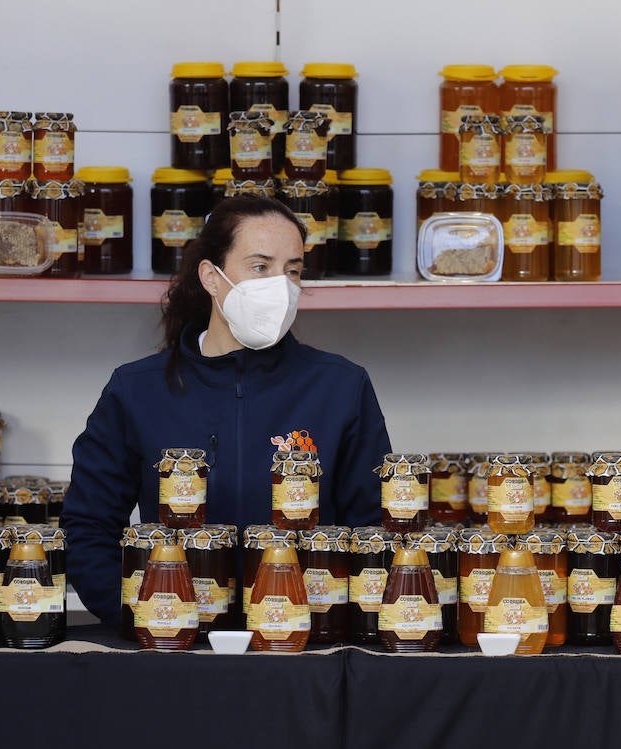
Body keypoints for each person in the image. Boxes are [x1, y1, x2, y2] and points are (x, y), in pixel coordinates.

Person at [64, 196, 391, 627]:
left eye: (292, 270)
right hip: (171, 649)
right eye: (260, 267)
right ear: (211, 278)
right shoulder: (136, 389)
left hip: (302, 648)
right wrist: (137, 618)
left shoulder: (341, 387)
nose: (281, 285)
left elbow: (374, 534)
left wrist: (333, 624)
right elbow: (88, 527)